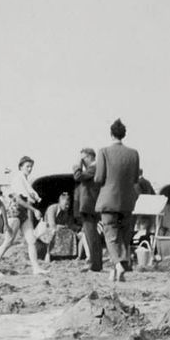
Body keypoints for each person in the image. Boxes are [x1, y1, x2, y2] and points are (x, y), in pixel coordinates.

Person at [95, 118, 141, 282]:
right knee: (123, 235)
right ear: (124, 134)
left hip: (109, 201)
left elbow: (99, 177)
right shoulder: (134, 153)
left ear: (111, 134)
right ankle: (116, 270)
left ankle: (119, 264)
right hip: (128, 201)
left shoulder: (104, 152)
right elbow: (136, 179)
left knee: (111, 235)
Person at [0, 156, 48, 275]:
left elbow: (27, 197)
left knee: (31, 240)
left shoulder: (25, 180)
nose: (30, 168)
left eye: (31, 166)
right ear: (21, 167)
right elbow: (18, 200)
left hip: (22, 212)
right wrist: (34, 210)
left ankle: (36, 268)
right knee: (8, 241)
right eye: (27, 166)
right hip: (14, 212)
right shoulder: (18, 179)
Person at [73, 148, 103, 272]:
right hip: (91, 206)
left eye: (83, 158)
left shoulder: (93, 168)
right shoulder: (94, 169)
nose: (82, 161)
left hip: (89, 206)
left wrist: (77, 165)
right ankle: (94, 262)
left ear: (90, 157)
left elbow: (78, 176)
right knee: (91, 236)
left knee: (92, 236)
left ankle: (95, 265)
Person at [39, 192, 75, 262]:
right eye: (66, 204)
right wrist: (63, 226)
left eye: (68, 204)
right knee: (53, 232)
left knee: (71, 233)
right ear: (60, 202)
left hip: (59, 229)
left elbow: (69, 224)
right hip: (45, 230)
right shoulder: (52, 208)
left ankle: (64, 255)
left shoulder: (66, 211)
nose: (67, 206)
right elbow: (52, 224)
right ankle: (48, 254)